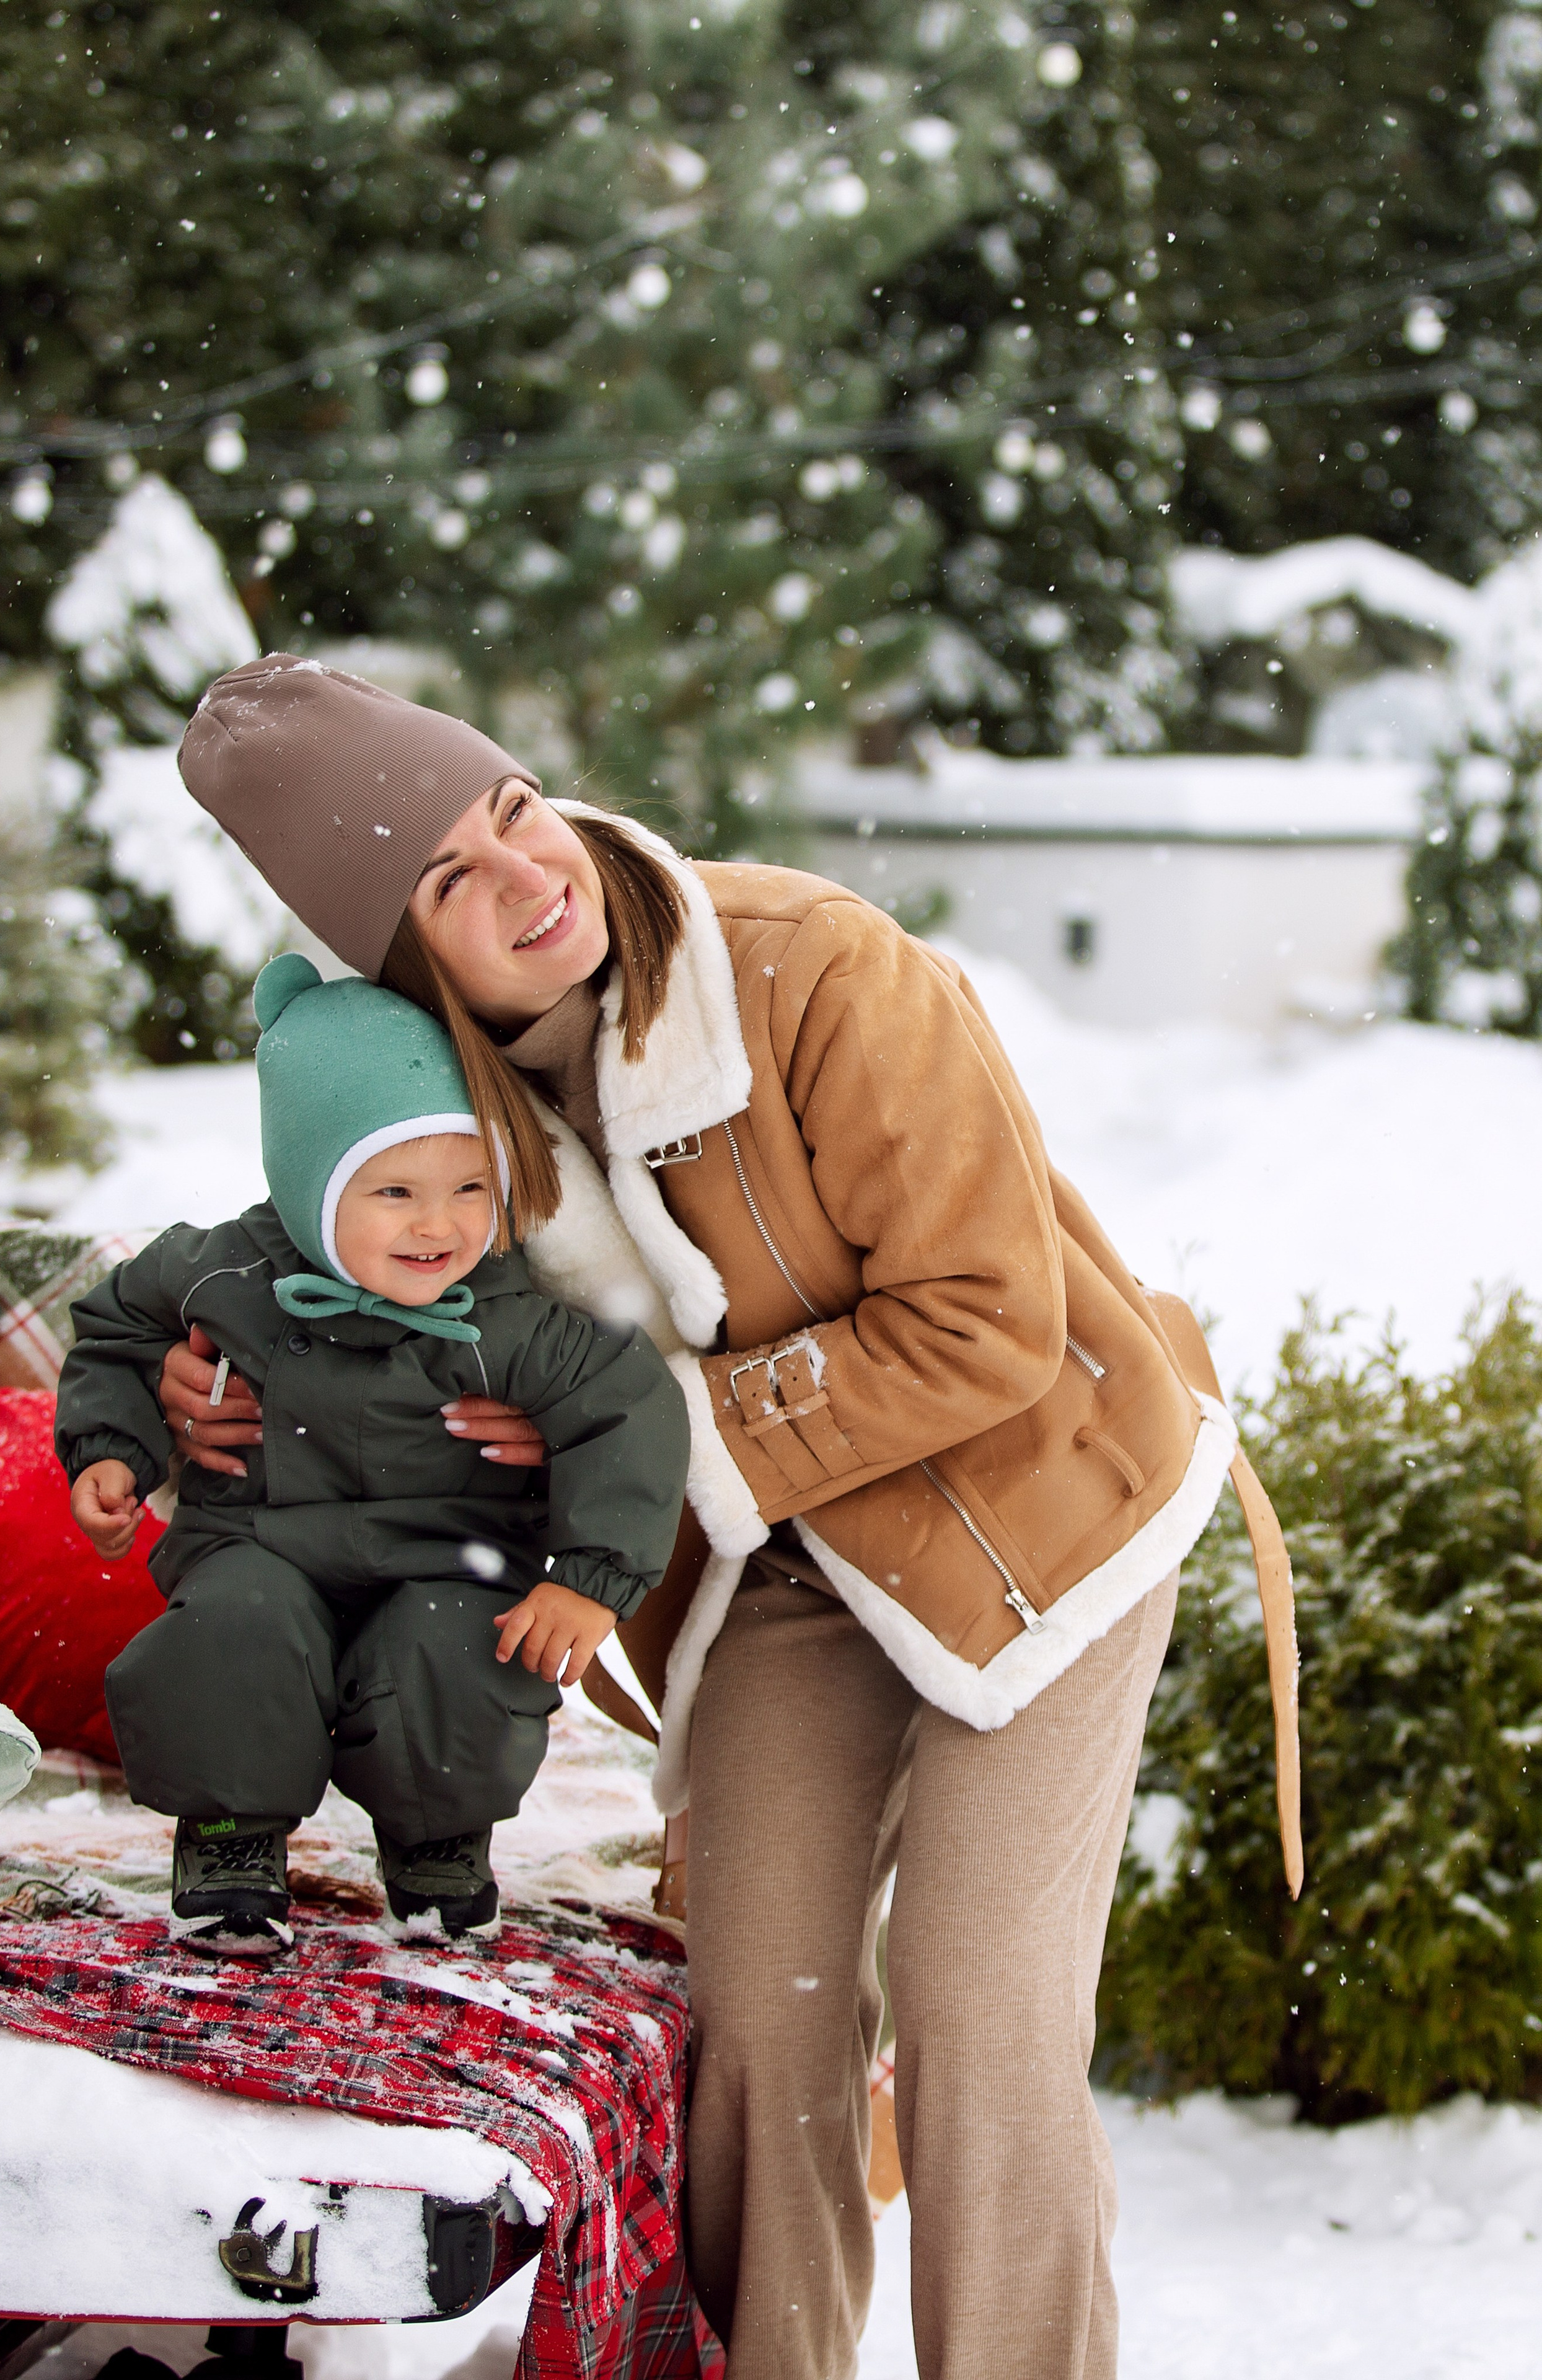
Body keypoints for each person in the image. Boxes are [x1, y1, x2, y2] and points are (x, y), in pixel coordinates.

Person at [162, 654, 1293, 2379]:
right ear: (405, 966)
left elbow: (991, 1319)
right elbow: (373, 1308)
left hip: (1041, 1519)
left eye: (513, 811)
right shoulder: (458, 1116)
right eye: (451, 880)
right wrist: (209, 1390)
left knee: (983, 2024)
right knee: (757, 2033)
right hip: (790, 1567)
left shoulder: (816, 967)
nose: (528, 877)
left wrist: (651, 1433)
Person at [57, 949, 688, 1957]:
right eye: (395, 1192)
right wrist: (112, 1445)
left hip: (449, 1554)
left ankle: (437, 1832)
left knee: (465, 1650)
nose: (441, 1226)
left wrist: (592, 1578)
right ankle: (228, 1832)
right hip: (259, 1544)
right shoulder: (225, 1269)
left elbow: (628, 1408)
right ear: (311, 1186)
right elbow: (120, 1328)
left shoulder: (504, 1311)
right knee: (233, 1631)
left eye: (472, 1185)